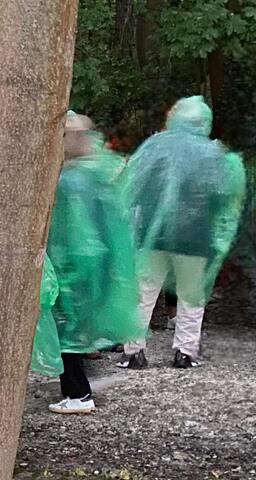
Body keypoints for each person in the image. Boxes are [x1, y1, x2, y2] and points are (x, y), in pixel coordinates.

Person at [116, 96, 246, 369]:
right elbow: (223, 194)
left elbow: (133, 185)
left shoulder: (155, 147)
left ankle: (134, 352)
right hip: (195, 238)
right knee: (191, 296)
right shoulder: (212, 154)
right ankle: (185, 353)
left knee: (143, 294)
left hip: (153, 234)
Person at [43, 112, 143, 414]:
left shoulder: (70, 179)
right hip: (98, 262)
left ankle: (78, 394)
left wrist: (67, 266)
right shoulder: (96, 170)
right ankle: (82, 385)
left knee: (67, 329)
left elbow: (73, 230)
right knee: (81, 326)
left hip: (75, 264)